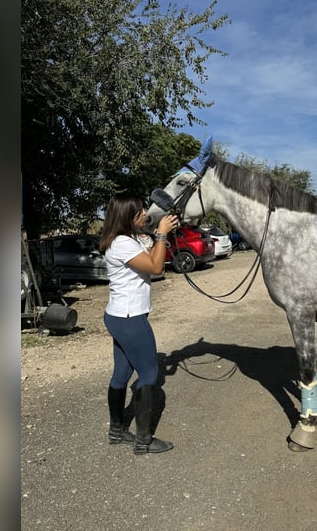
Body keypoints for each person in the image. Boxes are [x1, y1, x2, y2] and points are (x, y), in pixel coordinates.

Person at [98, 194, 179, 455]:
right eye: (139, 212)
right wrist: (162, 235)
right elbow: (156, 267)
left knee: (121, 374)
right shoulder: (122, 243)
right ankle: (143, 441)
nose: (144, 214)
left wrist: (158, 235)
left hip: (119, 316)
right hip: (130, 318)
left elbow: (154, 260)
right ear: (126, 216)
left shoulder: (123, 239)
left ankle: (117, 431)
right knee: (148, 374)